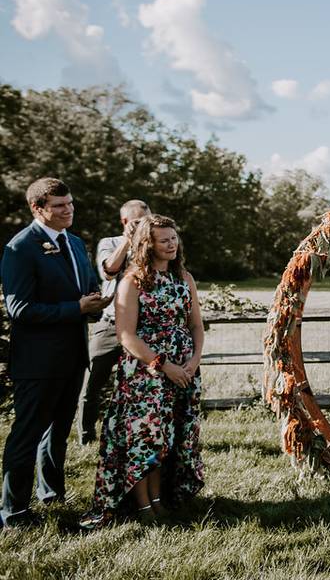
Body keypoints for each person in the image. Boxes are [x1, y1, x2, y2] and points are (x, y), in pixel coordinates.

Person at [81, 215, 204, 527]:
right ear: (148, 244)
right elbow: (126, 335)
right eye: (164, 240)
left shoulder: (183, 278)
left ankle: (160, 500)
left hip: (183, 372)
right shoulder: (132, 281)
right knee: (144, 438)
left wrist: (193, 361)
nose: (171, 244)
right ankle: (143, 506)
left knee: (167, 438)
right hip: (145, 374)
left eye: (174, 238)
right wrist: (165, 367)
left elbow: (196, 325)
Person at [1, 178, 107, 527]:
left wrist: (95, 303)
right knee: (27, 434)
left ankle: (51, 494)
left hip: (74, 356)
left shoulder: (75, 243)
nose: (68, 210)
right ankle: (14, 510)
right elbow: (20, 309)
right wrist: (75, 308)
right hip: (37, 360)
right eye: (59, 206)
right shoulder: (20, 248)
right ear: (38, 208)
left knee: (58, 431)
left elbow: (86, 289)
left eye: (70, 203)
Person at [77, 199, 151, 445]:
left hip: (143, 327)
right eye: (139, 222)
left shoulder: (154, 243)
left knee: (144, 384)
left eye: (147, 221)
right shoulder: (109, 243)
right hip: (110, 324)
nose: (145, 227)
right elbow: (108, 270)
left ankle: (137, 433)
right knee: (92, 382)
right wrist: (128, 242)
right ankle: (86, 435)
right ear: (125, 222)